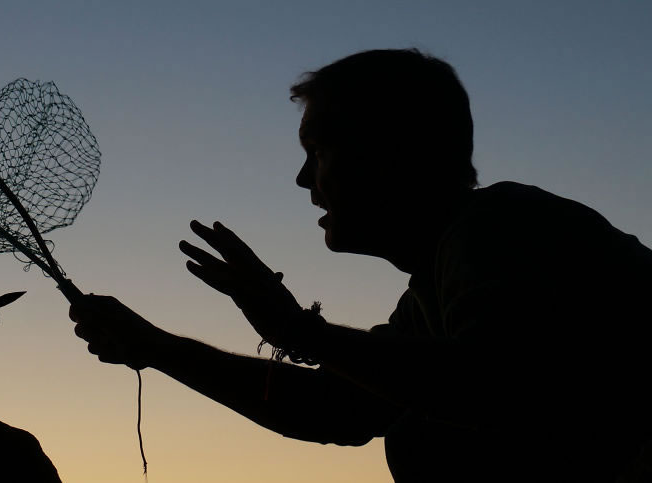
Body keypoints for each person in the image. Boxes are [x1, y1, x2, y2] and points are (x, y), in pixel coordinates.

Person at [69, 49, 652, 482]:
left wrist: (298, 331)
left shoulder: (501, 228)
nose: (303, 180)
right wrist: (156, 347)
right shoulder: (438, 280)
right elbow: (343, 409)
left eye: (318, 152)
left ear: (392, 154)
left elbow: (494, 385)